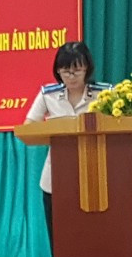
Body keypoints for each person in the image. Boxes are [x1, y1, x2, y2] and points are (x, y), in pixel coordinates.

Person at [23, 40, 105, 231]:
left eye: (77, 70)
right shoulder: (48, 95)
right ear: (58, 71)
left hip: (96, 176)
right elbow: (29, 127)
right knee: (60, 238)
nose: (71, 76)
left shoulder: (104, 94)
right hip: (56, 179)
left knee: (93, 235)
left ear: (87, 68)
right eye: (65, 71)